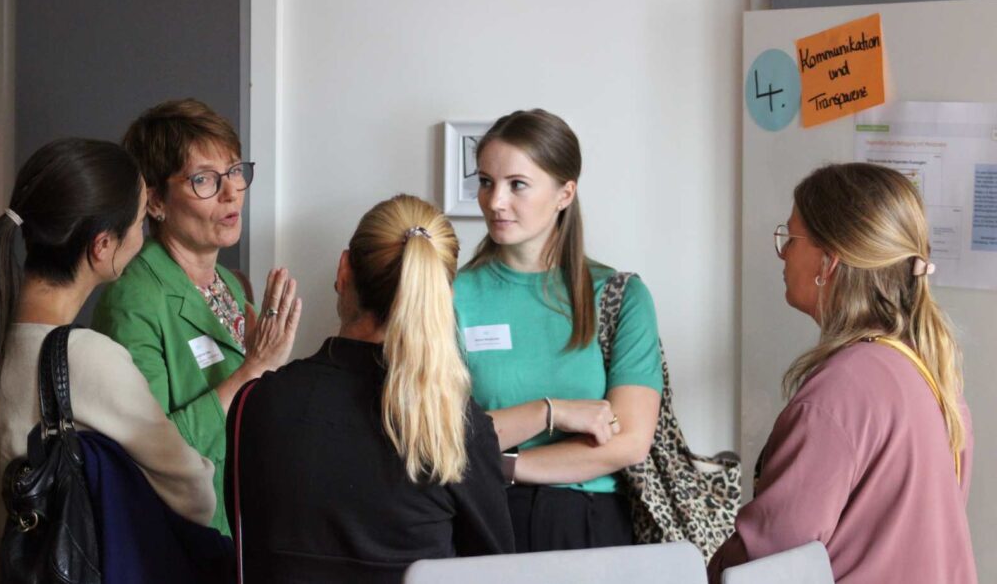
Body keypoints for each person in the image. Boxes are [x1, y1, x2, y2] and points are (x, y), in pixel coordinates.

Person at [708, 163, 976, 584]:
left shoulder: (840, 391)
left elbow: (768, 558)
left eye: (791, 239)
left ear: (828, 263)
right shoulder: (932, 370)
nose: (782, 254)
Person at [225, 194, 514, 583]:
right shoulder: (456, 425)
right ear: (442, 297)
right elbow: (496, 573)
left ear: (344, 270)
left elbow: (248, 550)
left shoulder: (257, 404)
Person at [0, 138, 216, 581]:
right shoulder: (87, 359)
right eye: (141, 220)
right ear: (103, 246)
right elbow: (195, 494)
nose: (143, 236)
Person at [453, 109, 663, 552]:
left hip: (588, 528)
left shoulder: (620, 297)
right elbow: (439, 434)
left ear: (565, 193)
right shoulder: (451, 295)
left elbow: (629, 442)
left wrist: (505, 463)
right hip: (481, 521)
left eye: (517, 184)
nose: (494, 202)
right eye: (486, 181)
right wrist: (555, 412)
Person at [92, 98, 301, 535]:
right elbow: (147, 454)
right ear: (155, 203)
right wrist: (254, 369)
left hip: (246, 526)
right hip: (180, 541)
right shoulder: (134, 299)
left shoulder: (229, 281)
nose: (231, 193)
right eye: (204, 179)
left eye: (235, 171)